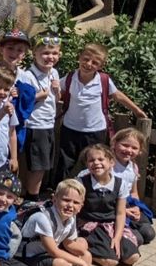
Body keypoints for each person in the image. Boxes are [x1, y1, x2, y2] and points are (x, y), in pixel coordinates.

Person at [57, 42, 147, 181]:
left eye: (95, 62)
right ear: (79, 57)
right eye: (86, 59)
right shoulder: (70, 78)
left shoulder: (103, 80)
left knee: (93, 162)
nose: (88, 64)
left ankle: (89, 194)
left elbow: (117, 95)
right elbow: (58, 91)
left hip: (95, 131)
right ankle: (63, 193)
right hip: (70, 128)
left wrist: (136, 110)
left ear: (101, 66)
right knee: (65, 162)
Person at [18, 179, 92, 266]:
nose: (70, 205)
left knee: (85, 253)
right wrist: (80, 262)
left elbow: (68, 242)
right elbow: (54, 251)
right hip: (29, 256)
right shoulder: (43, 217)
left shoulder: (71, 217)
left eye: (76, 202)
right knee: (61, 264)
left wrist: (83, 253)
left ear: (81, 206)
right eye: (66, 200)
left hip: (49, 252)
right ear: (54, 199)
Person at [77, 144, 141, 266]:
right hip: (91, 225)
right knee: (110, 262)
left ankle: (113, 245)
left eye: (101, 159)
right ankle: (86, 249)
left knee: (132, 258)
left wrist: (117, 237)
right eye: (91, 160)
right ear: (87, 165)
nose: (96, 163)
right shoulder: (81, 182)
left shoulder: (120, 183)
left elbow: (120, 213)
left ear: (111, 162)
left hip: (112, 224)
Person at [19, 34, 62, 202]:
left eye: (54, 53)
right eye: (45, 53)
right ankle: (32, 198)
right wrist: (38, 96)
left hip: (48, 123)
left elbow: (57, 98)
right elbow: (21, 100)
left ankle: (31, 195)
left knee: (43, 164)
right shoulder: (27, 75)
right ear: (34, 53)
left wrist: (57, 90)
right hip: (35, 124)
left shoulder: (55, 73)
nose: (50, 57)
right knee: (38, 165)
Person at [111, 127, 156, 245]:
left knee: (149, 234)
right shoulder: (108, 167)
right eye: (125, 145)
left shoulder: (133, 167)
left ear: (140, 151)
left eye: (134, 148)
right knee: (138, 240)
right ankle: (124, 231)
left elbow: (133, 192)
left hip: (129, 204)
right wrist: (124, 210)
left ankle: (131, 227)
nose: (129, 150)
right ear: (114, 144)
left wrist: (137, 208)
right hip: (112, 207)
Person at [0, 28, 37, 140]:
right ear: (1, 49)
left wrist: (22, 94)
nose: (14, 53)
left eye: (19, 50)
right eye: (10, 48)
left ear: (24, 54)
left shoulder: (26, 77)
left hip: (16, 129)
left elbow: (31, 99)